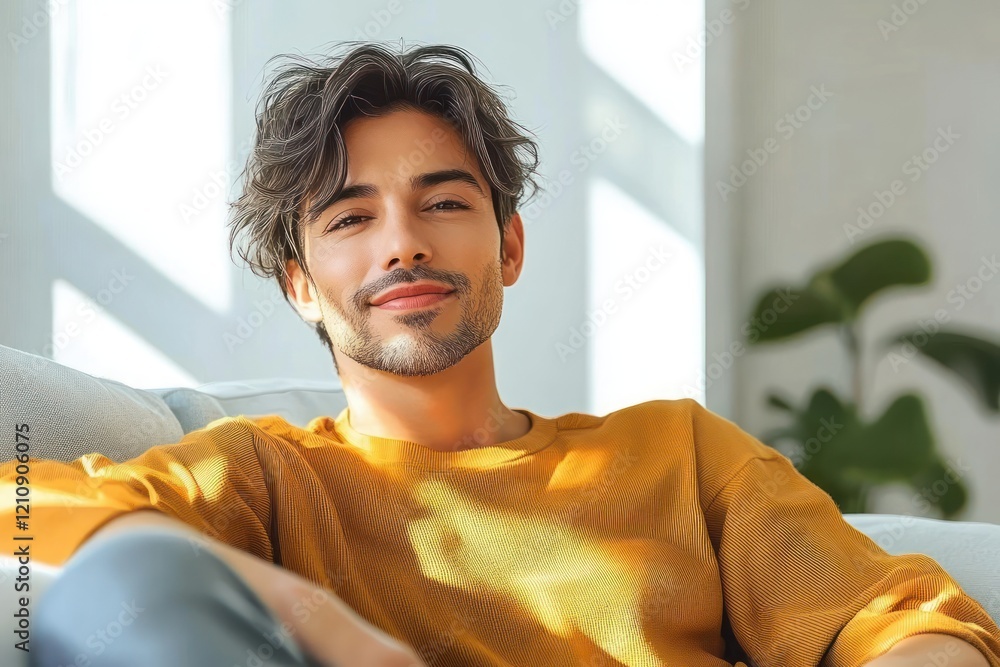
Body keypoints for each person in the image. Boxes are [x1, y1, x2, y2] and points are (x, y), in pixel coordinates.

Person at [3, 40, 999, 667]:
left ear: (508, 245)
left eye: (443, 201)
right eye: (352, 216)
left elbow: (899, 617)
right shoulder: (262, 472)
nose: (403, 242)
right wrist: (319, 616)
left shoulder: (679, 453)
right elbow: (27, 516)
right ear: (299, 283)